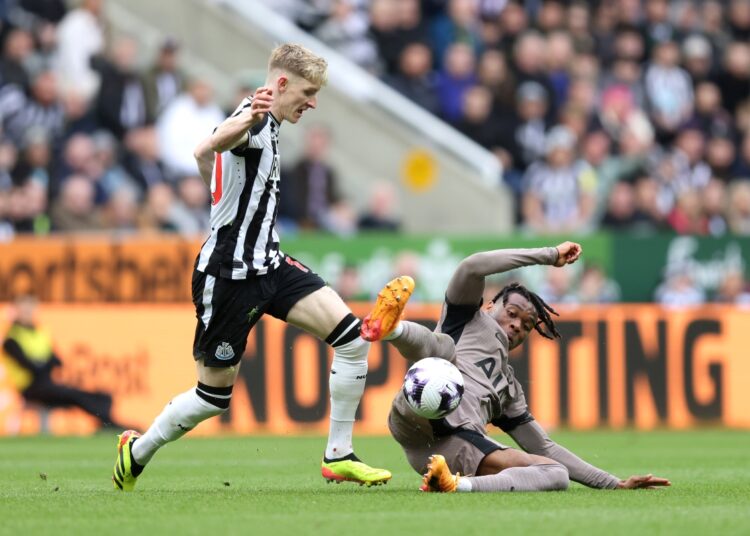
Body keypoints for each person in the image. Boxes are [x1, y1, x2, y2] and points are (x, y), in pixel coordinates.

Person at [113, 43, 394, 491]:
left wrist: (220, 195)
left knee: (352, 339)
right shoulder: (256, 120)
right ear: (280, 84)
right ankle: (138, 450)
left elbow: (205, 155)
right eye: (307, 91)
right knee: (212, 398)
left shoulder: (270, 121)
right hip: (228, 277)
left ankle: (338, 454)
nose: (313, 102)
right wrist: (247, 121)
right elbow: (220, 141)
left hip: (270, 264)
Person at [361, 242, 671, 493]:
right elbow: (472, 265)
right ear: (490, 306)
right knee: (444, 347)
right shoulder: (468, 318)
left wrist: (612, 483)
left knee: (556, 474)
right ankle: (391, 329)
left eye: (527, 325)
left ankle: (456, 484)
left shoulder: (508, 390)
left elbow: (544, 447)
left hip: (449, 449)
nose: (516, 326)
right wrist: (548, 255)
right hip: (416, 407)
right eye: (512, 313)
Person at [2, 294, 125, 430]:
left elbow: (56, 361)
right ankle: (107, 422)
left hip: (47, 384)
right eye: (24, 309)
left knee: (101, 395)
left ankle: (107, 421)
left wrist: (41, 362)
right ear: (16, 311)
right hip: (30, 388)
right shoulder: (11, 339)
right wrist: (44, 362)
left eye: (31, 309)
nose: (28, 313)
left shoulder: (40, 332)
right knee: (73, 395)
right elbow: (32, 367)